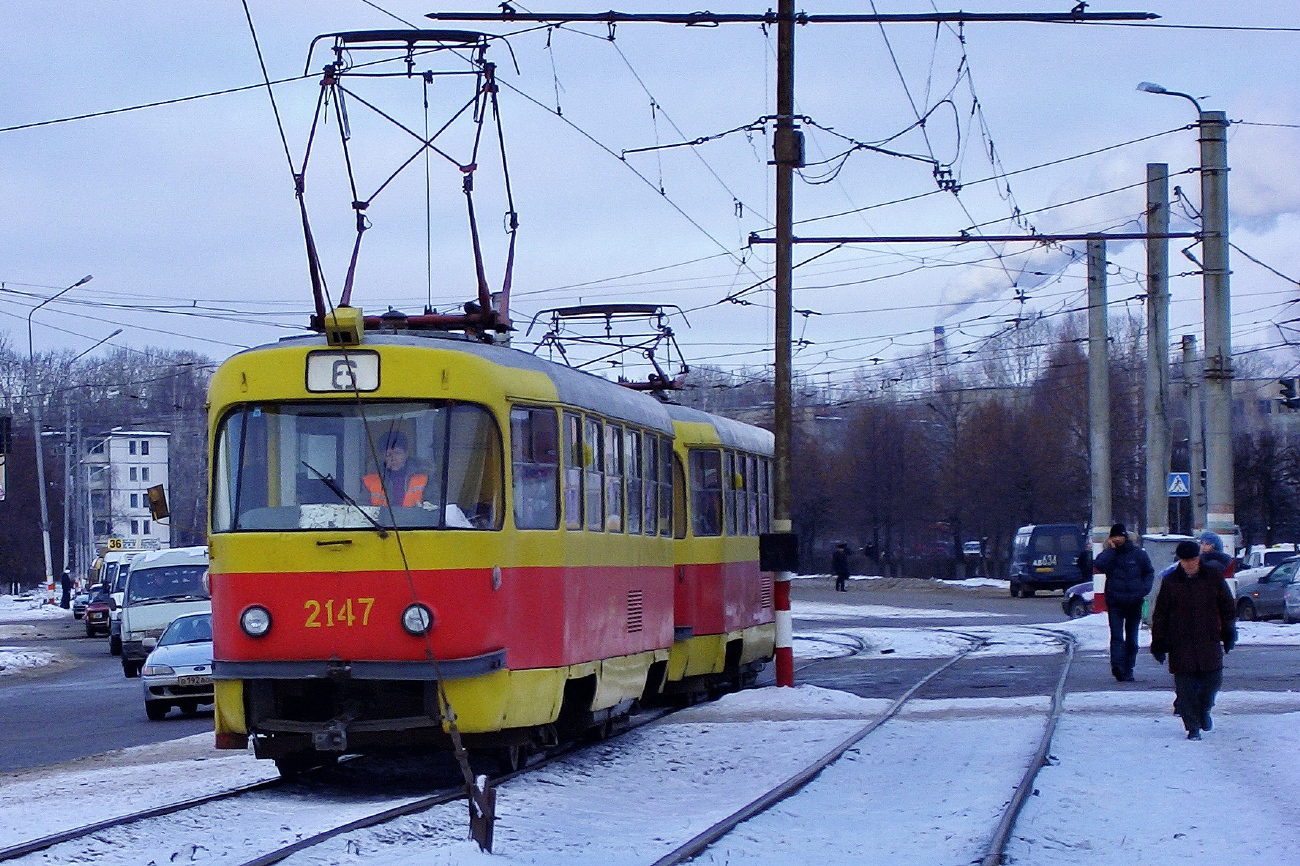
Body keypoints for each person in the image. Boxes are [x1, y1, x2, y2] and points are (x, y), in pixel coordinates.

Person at [1150, 539, 1236, 740]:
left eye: (1193, 559)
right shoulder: (1170, 582)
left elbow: (1226, 606)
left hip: (1208, 638)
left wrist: (1229, 631)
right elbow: (1161, 614)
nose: (1189, 564)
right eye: (1185, 560)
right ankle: (1192, 727)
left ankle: (1204, 711)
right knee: (1185, 689)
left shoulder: (1213, 577)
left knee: (1212, 682)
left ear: (1199, 558)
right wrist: (1158, 642)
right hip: (1180, 642)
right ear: (1179, 560)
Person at [1092, 523, 1154, 682]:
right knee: (1117, 636)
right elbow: (1099, 565)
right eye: (1114, 537)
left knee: (1132, 638)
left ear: (1125, 537)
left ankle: (1129, 668)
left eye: (1119, 536)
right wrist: (1111, 550)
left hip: (1134, 601)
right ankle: (1118, 666)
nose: (1117, 539)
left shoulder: (1138, 554)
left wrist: (1143, 590)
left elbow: (1149, 572)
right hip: (1115, 602)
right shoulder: (1110, 555)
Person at [363, 431, 428, 507]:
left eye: (397, 453)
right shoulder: (370, 481)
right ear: (383, 457)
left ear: (406, 454)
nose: (393, 458)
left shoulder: (424, 478)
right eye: (388, 454)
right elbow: (362, 510)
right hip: (381, 519)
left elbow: (434, 507)